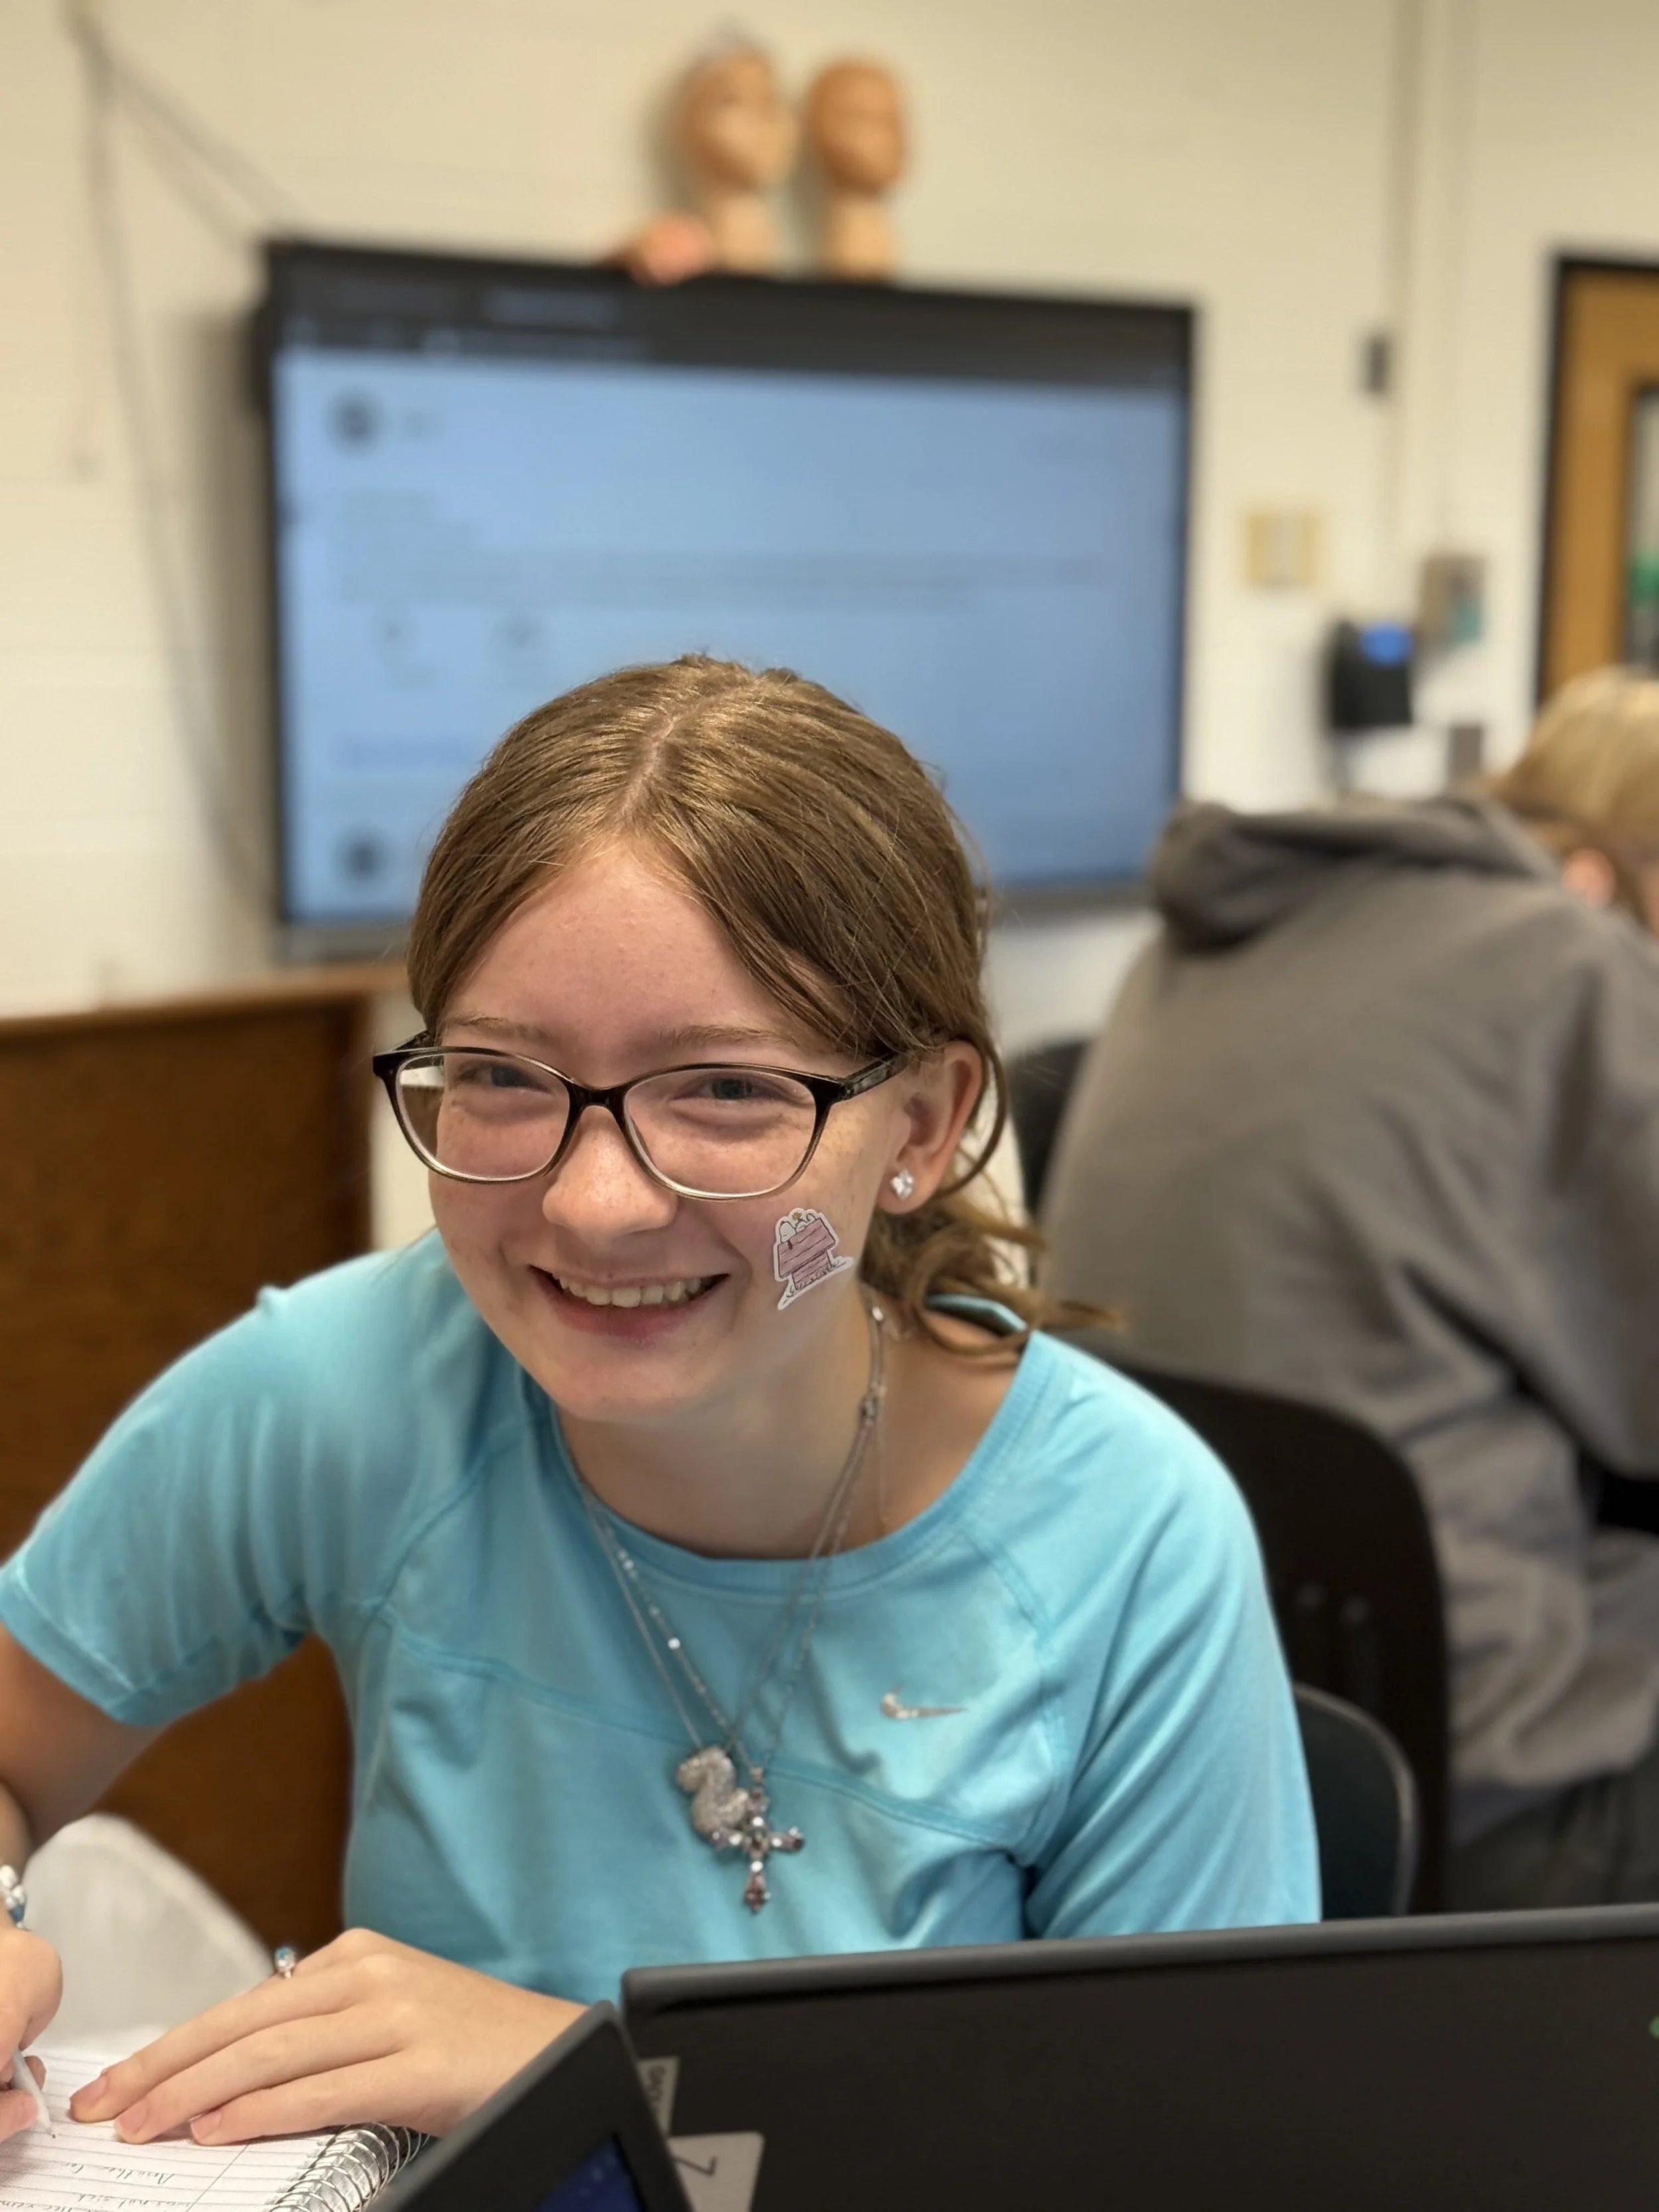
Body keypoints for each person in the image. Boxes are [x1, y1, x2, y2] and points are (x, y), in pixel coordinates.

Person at [0, 658, 1316, 2149]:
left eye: (725, 1094)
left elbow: (1192, 2151)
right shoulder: (346, 1389)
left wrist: (591, 2083)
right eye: (500, 1076)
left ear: (925, 1125)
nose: (595, 1200)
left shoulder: (1124, 1538)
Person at [1041, 664, 1659, 1910]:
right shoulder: (1569, 963)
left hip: (1186, 1698)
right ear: (1609, 872)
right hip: (1491, 1772)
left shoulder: (1219, 929)